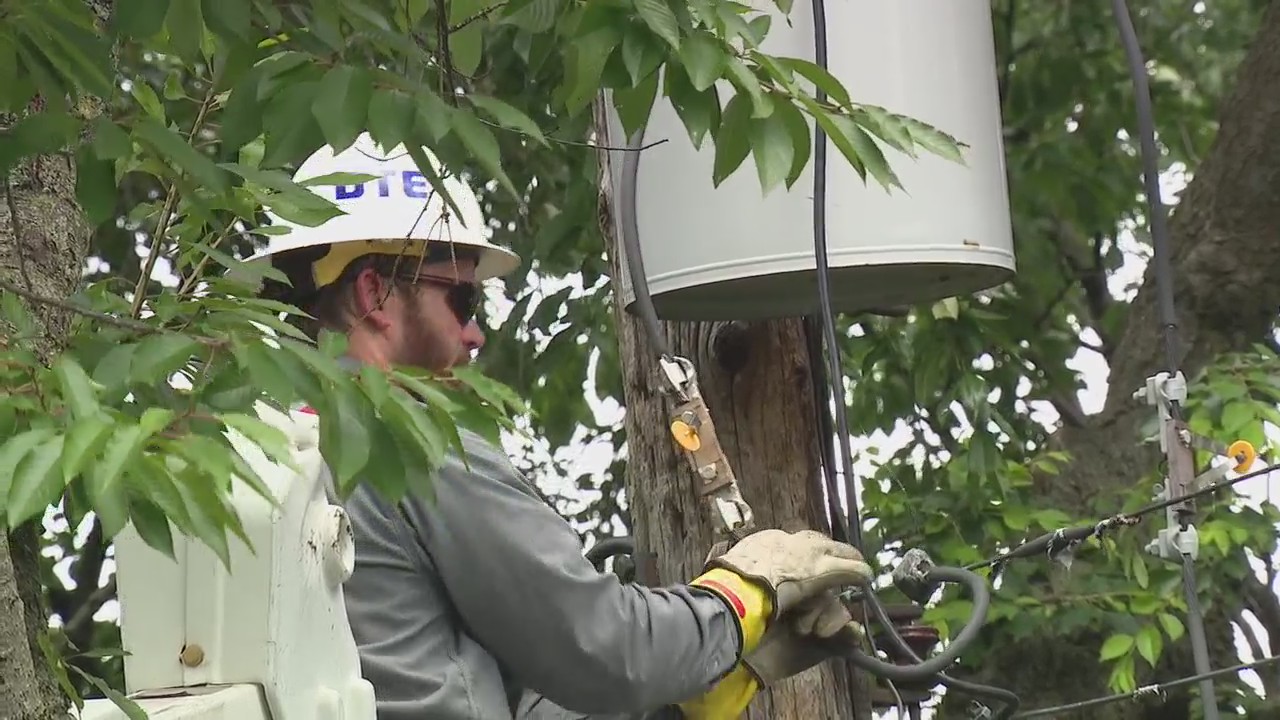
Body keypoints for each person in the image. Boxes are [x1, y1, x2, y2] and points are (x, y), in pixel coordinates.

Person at [243, 133, 874, 719]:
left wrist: (711, 684)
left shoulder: (240, 441)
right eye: (462, 300)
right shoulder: (407, 442)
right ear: (374, 293)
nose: (475, 333)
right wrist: (746, 593)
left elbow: (486, 688)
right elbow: (605, 651)